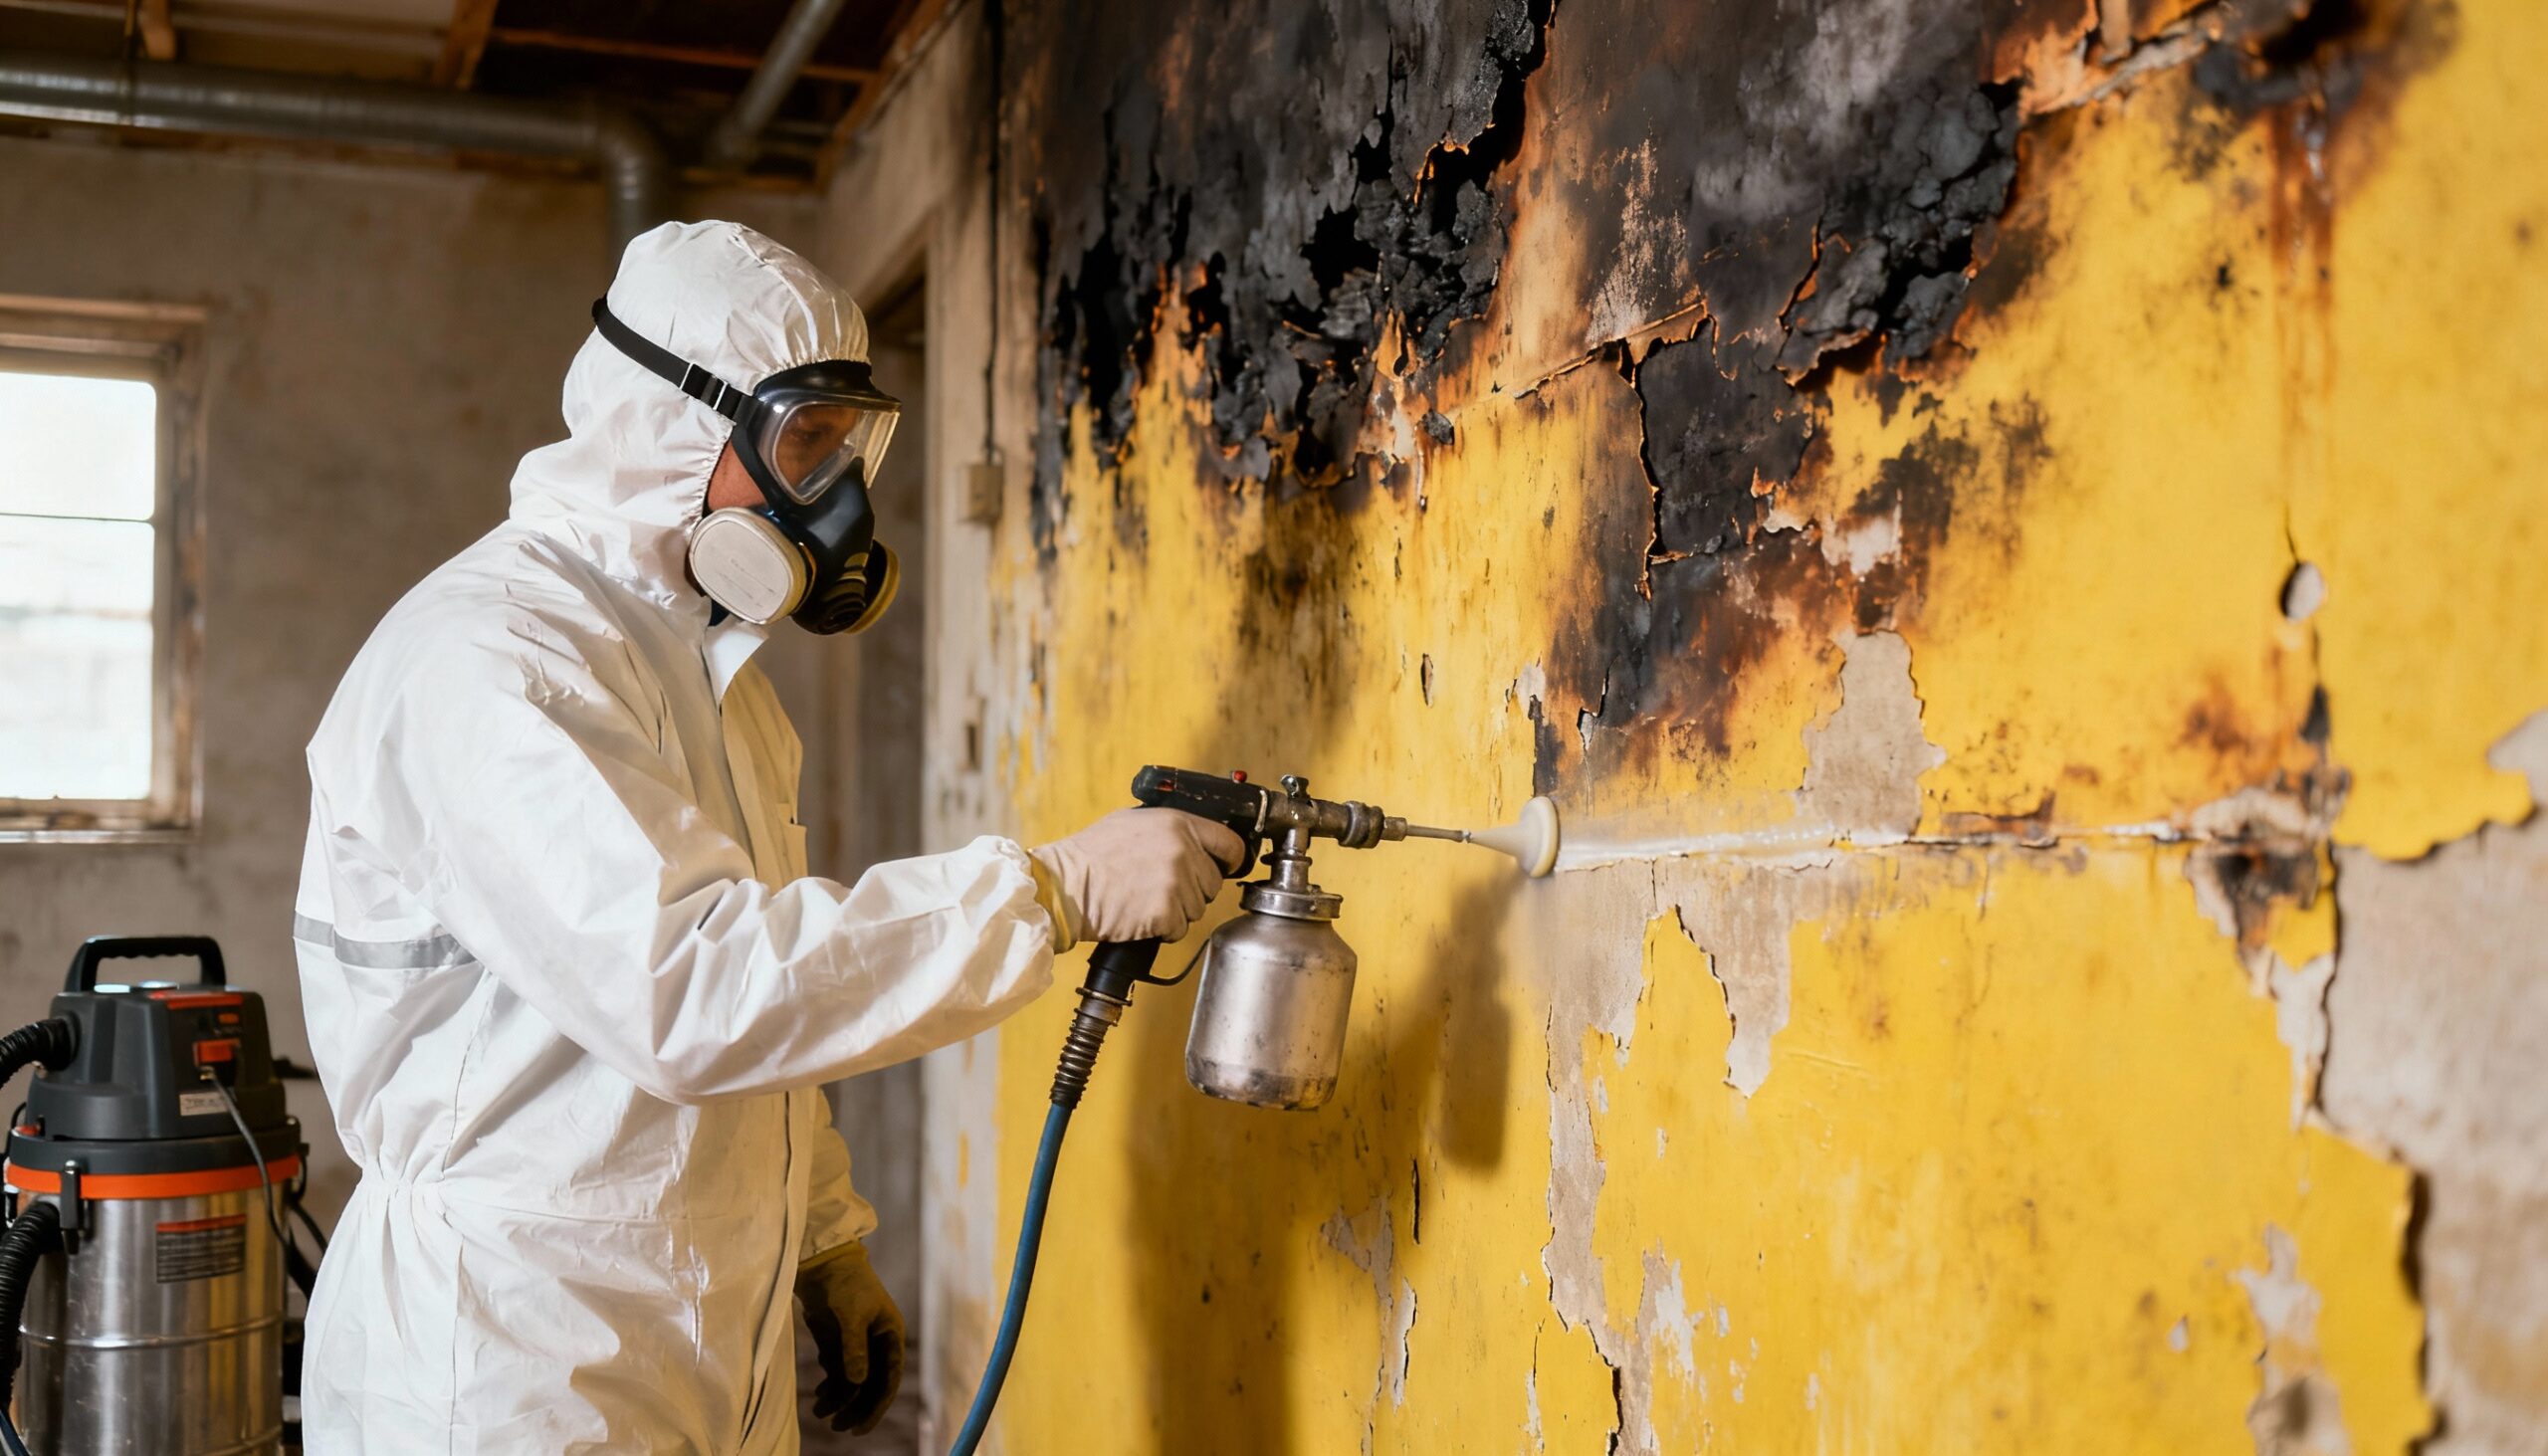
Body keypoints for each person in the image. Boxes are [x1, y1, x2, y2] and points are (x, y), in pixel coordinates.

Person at [291, 219, 1242, 1453]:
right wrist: (1050, 889)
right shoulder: (497, 660)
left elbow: (769, 993)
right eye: (804, 444)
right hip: (516, 1361)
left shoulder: (709, 672)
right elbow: (691, 985)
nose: (833, 496)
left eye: (849, 447)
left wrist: (821, 1233)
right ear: (674, 425)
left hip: (689, 1332)